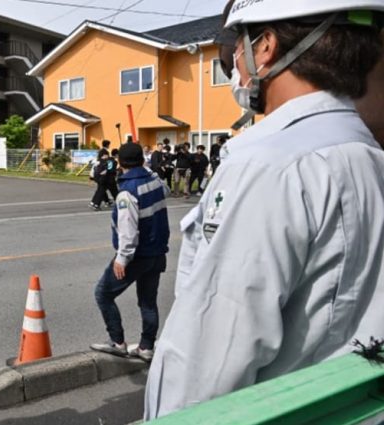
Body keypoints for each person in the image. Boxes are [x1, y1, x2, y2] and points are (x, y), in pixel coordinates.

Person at [145, 0, 384, 419]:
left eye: (239, 48)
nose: (236, 64)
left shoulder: (269, 167)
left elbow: (206, 365)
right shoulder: (369, 157)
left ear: (267, 47)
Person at [89, 143, 169, 363]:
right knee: (148, 302)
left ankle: (117, 342)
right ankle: (146, 347)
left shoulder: (127, 193)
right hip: (158, 253)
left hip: (138, 255)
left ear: (119, 163)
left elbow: (128, 230)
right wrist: (149, 170)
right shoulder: (154, 181)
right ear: (142, 161)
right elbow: (167, 190)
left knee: (103, 293)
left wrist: (122, 259)